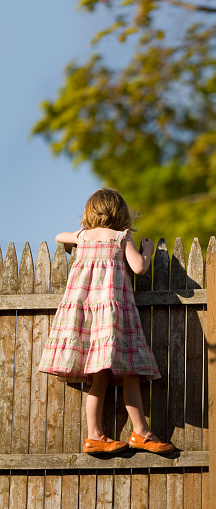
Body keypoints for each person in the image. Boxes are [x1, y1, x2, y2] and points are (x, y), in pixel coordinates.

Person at [39, 188, 174, 454]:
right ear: (120, 213)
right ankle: (141, 432)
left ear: (90, 212)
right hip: (114, 318)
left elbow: (58, 236)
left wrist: (77, 236)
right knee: (131, 372)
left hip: (88, 319)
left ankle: (94, 436)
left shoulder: (83, 237)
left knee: (98, 380)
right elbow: (139, 268)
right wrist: (146, 250)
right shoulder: (122, 238)